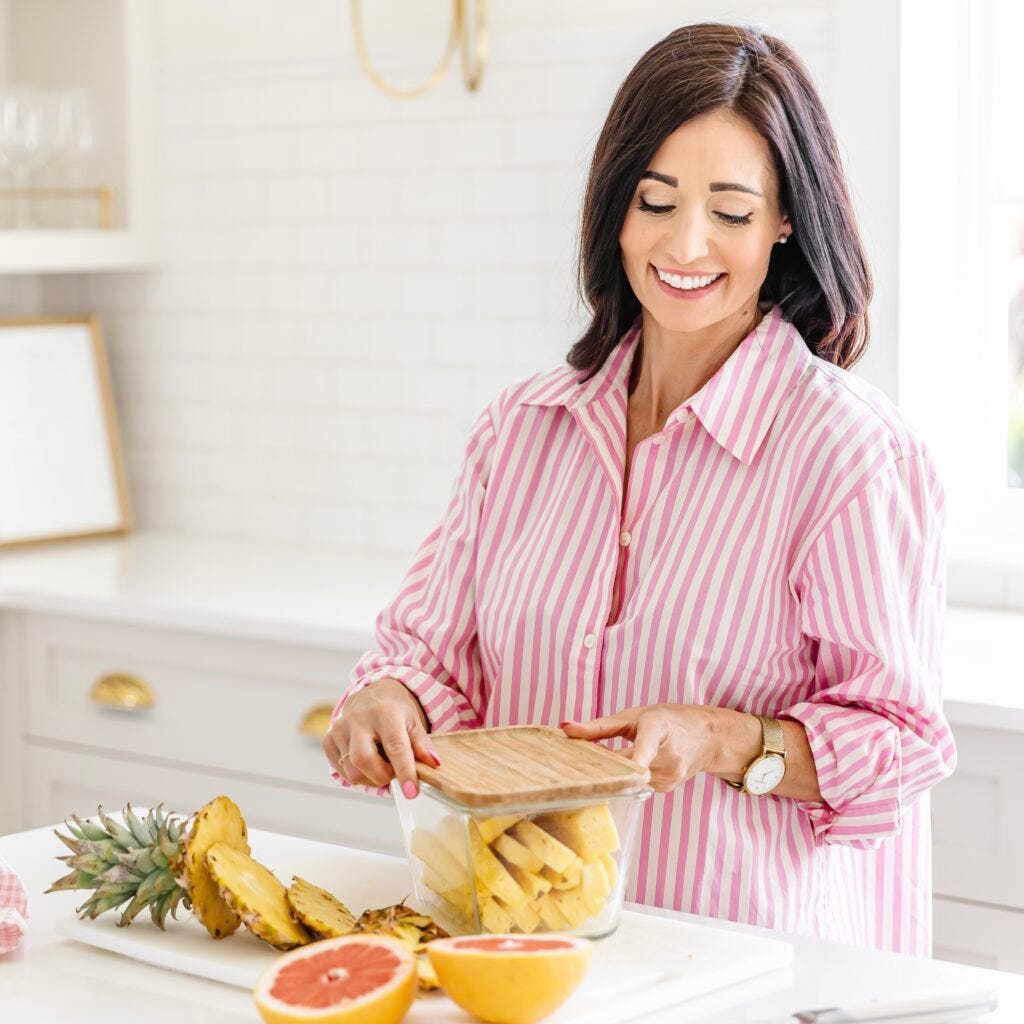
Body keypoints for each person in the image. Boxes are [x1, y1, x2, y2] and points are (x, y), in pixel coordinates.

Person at [323, 21, 956, 956]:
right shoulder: (522, 430)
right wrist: (387, 703)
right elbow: (428, 660)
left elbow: (903, 740)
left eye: (732, 212)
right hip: (517, 956)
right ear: (616, 207)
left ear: (786, 222)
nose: (686, 243)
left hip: (738, 972)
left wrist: (724, 740)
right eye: (655, 200)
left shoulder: (850, 454)